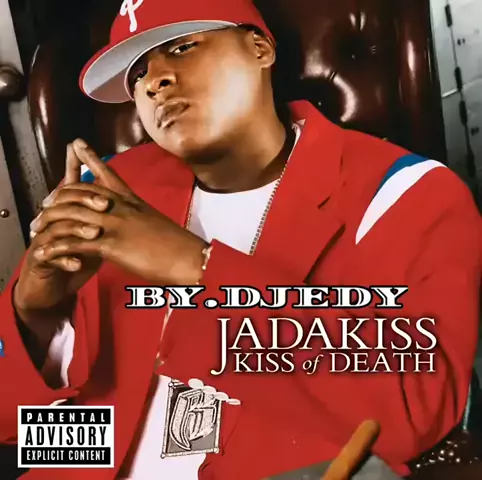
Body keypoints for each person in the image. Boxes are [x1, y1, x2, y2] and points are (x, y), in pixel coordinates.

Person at [0, 0, 481, 479]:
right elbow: (25, 431)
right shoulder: (108, 188)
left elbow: (415, 411)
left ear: (259, 48)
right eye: (137, 74)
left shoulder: (404, 194)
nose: (153, 81)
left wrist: (195, 267)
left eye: (182, 47)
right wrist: (32, 316)